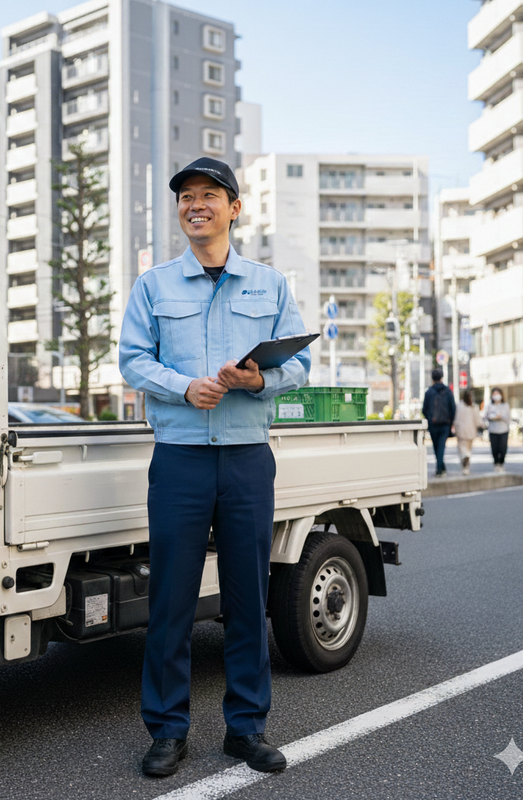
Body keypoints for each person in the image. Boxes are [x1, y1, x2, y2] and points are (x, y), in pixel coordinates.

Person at [119, 157, 310, 778]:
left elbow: (298, 366)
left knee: (248, 598)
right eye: (185, 198)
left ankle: (246, 729)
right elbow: (132, 360)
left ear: (234, 208)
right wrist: (182, 387)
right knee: (171, 599)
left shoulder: (269, 284)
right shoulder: (154, 285)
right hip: (179, 461)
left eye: (208, 195)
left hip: (248, 457)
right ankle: (168, 730)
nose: (194, 205)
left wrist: (259, 379)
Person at [422, 368, 456, 477]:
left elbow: (424, 409)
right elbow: (453, 408)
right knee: (441, 447)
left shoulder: (429, 392)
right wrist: (451, 422)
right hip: (445, 424)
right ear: (442, 377)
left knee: (436, 447)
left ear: (432, 378)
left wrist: (429, 418)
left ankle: (440, 469)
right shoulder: (447, 391)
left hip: (433, 424)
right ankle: (441, 468)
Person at [453, 389, 482, 475]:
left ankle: (465, 460)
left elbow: (456, 419)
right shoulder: (474, 406)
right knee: (468, 448)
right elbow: (478, 420)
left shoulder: (459, 406)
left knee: (462, 448)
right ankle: (466, 463)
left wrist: (455, 428)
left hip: (461, 431)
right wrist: (480, 426)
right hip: (471, 431)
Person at [483, 387, 510, 473]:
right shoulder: (489, 406)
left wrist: (500, 416)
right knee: (494, 449)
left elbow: (508, 417)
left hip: (503, 430)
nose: (496, 396)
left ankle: (501, 463)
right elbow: (485, 416)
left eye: (498, 394)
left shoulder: (505, 405)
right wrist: (492, 417)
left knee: (503, 449)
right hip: (493, 430)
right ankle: (496, 464)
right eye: (494, 394)